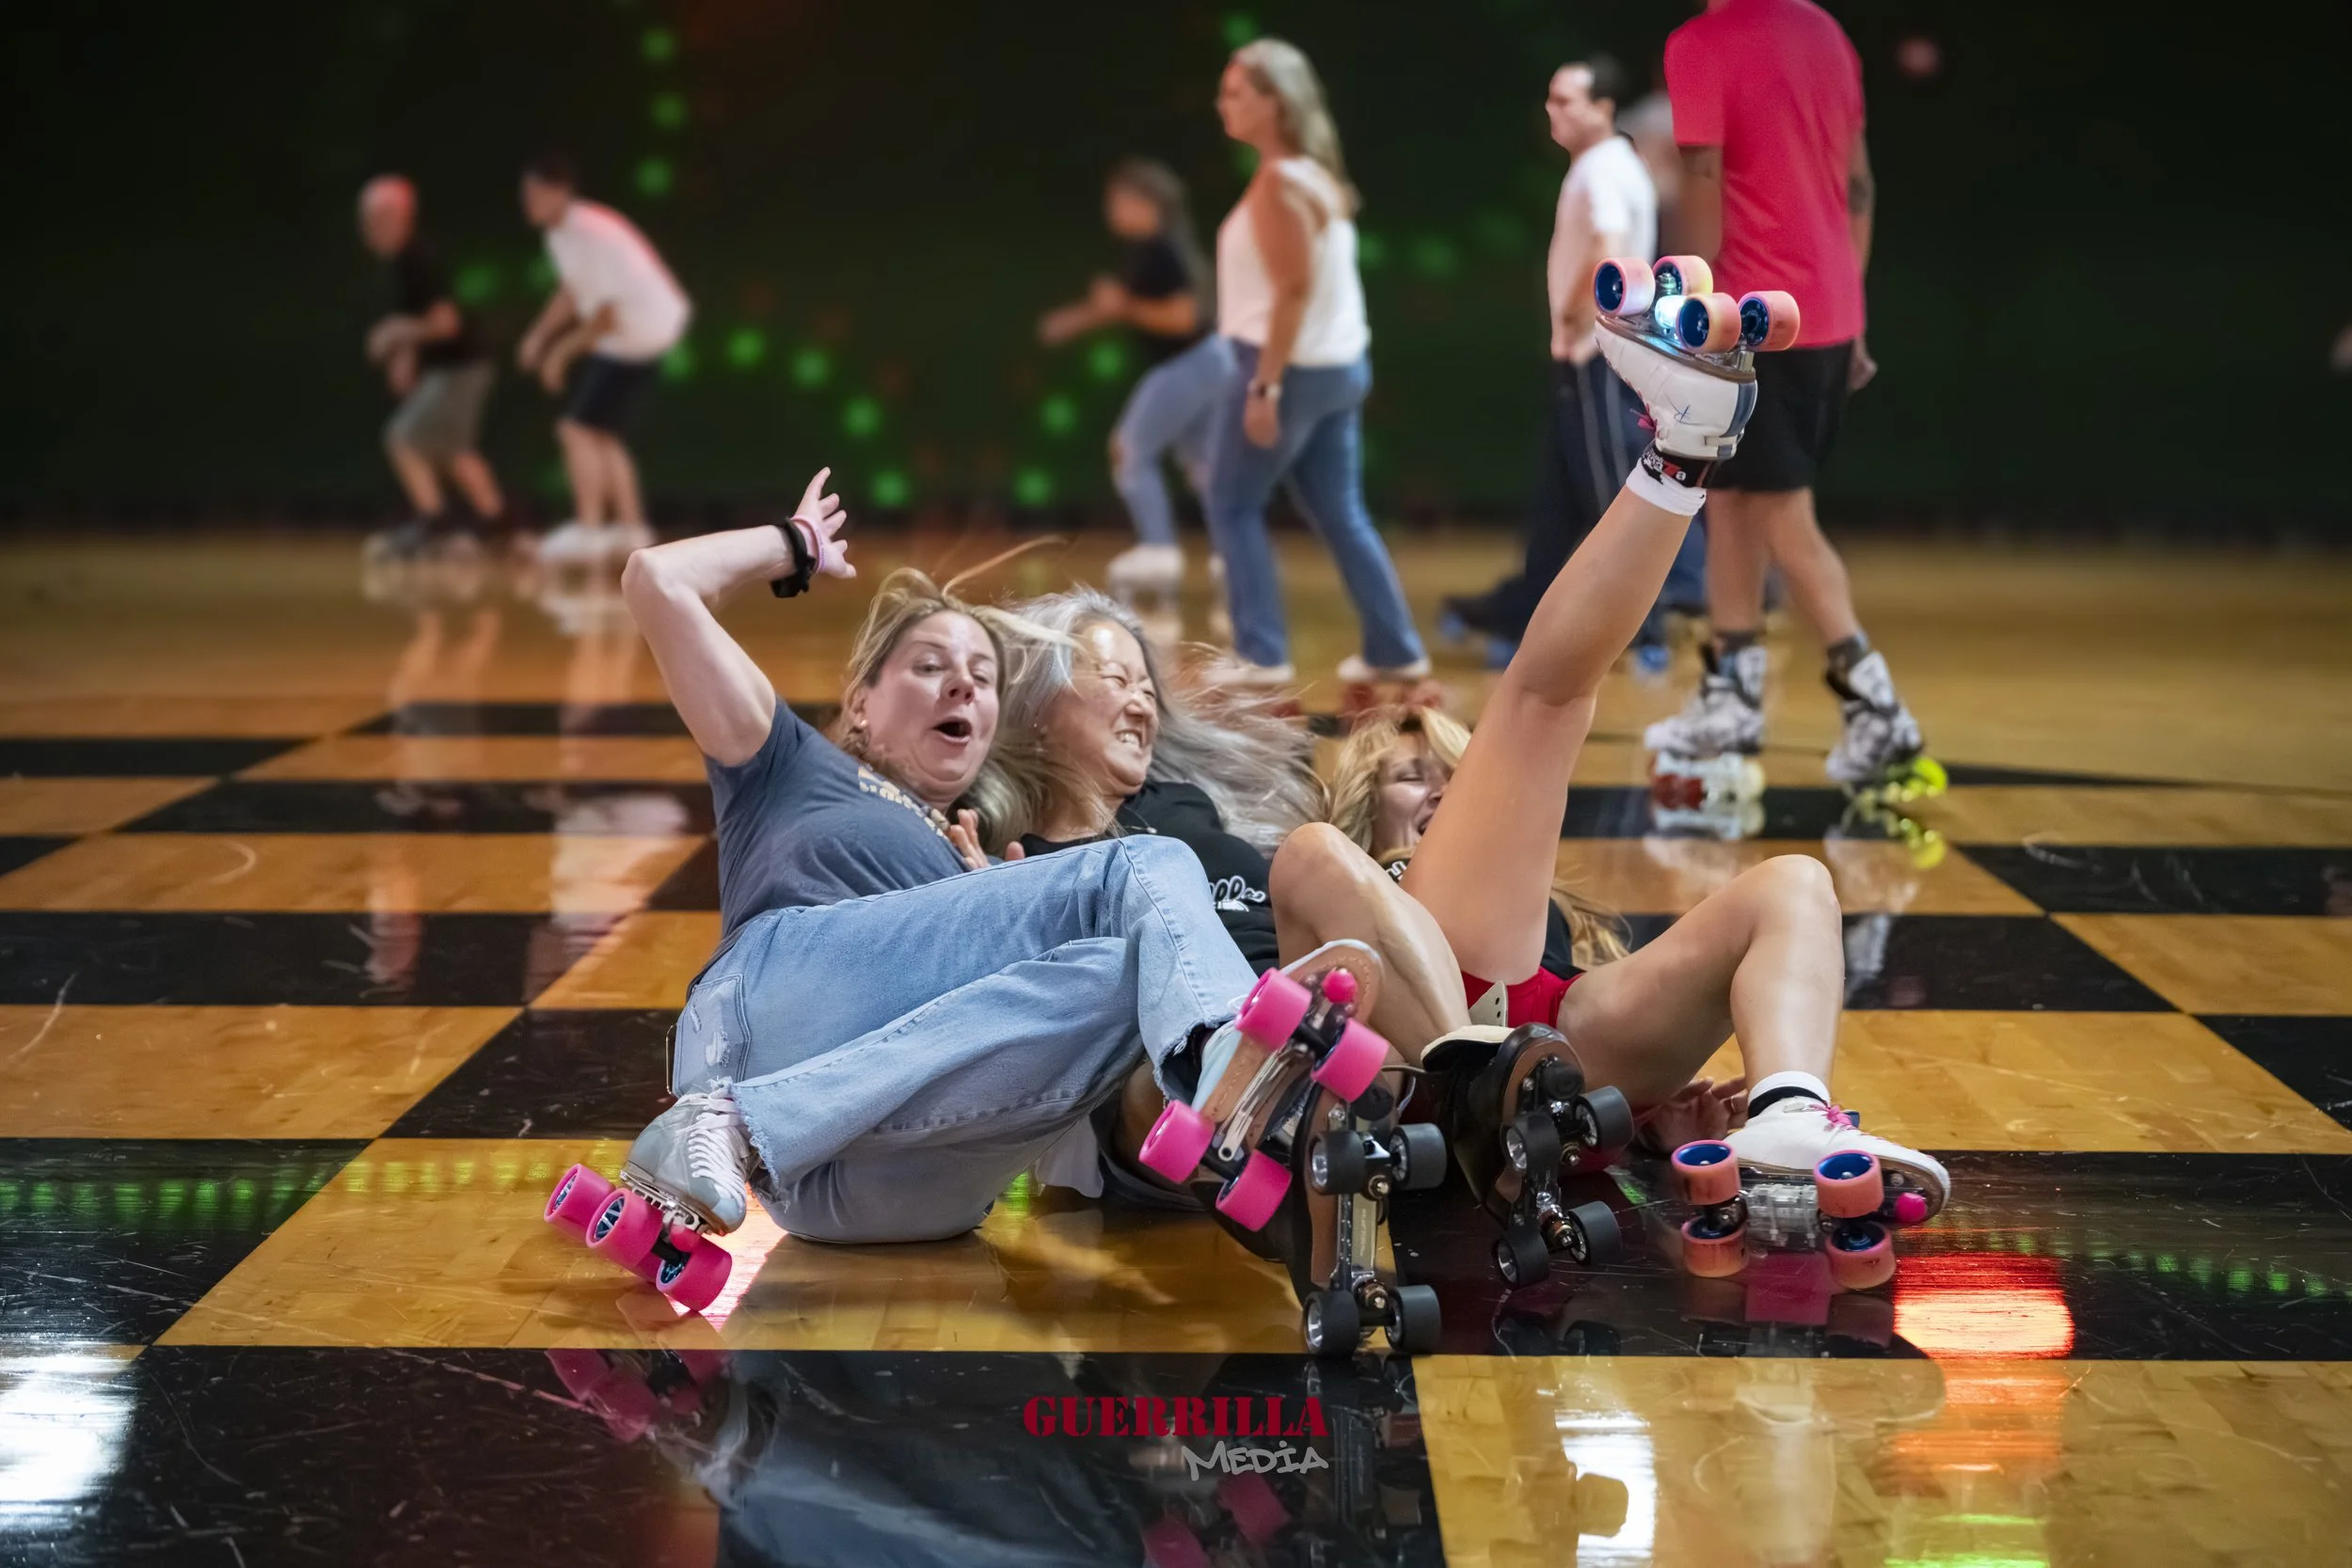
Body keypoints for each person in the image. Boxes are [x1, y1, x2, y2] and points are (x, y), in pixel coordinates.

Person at [605, 467, 1391, 1321]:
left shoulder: (969, 859)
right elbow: (656, 580)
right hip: (767, 1008)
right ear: (860, 704)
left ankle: (736, 1125)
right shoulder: (793, 763)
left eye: (982, 676)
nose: (963, 686)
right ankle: (1230, 1072)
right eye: (930, 665)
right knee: (1141, 865)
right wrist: (792, 545)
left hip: (853, 1191)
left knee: (1119, 971)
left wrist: (991, 912)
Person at [1322, 305, 1950, 1214]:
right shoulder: (1334, 884)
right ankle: (1681, 451)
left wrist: (1649, 1119)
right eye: (1410, 777)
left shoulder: (1536, 909)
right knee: (1543, 700)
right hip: (1427, 1047)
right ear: (1356, 811)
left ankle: (1788, 1113)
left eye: (1453, 777)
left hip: (1555, 1032)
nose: (1442, 792)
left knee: (1795, 887)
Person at [1645, 0, 1935, 792]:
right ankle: (1731, 694)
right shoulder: (1826, 31)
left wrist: (1691, 317)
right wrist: (1855, 309)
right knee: (1734, 499)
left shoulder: (1701, 44)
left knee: (1779, 512)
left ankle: (1877, 710)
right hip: (1829, 311)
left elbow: (1702, 179)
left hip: (1751, 315)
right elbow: (1860, 185)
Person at [1438, 58, 1704, 673]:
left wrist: (1578, 316)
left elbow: (1609, 251)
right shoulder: (1605, 166)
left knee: (1613, 494)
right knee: (1558, 507)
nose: (1555, 112)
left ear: (1605, 108)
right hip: (1583, 359)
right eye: (1552, 100)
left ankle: (1649, 629)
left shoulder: (1603, 172)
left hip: (1596, 357)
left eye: (1569, 101)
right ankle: (1527, 619)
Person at [1200, 39, 1425, 692]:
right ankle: (1395, 648)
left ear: (1275, 103)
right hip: (1338, 367)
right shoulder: (1319, 176)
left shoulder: (1279, 184)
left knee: (1231, 502)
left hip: (1287, 368)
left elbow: (1293, 290)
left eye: (1237, 92)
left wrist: (1264, 384)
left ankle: (1262, 657)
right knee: (1341, 510)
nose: (1223, 104)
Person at [1036, 161, 1231, 600]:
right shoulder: (1151, 253)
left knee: (1130, 448)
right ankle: (1233, 557)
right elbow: (1123, 304)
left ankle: (1160, 551)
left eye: (1120, 201)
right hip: (1212, 362)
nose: (1112, 210)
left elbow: (1181, 318)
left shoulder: (1161, 251)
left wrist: (1122, 306)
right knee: (1205, 466)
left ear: (1148, 205)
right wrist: (1072, 321)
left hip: (1193, 360)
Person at [516, 152, 692, 564]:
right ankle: (633, 529)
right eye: (525, 194)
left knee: (576, 429)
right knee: (602, 433)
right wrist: (538, 336)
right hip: (640, 331)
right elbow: (571, 291)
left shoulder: (588, 231)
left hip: (639, 331)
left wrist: (558, 353)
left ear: (560, 192)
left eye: (536, 193)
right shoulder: (559, 235)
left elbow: (605, 314)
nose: (528, 202)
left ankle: (590, 529)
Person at [356, 175, 504, 558]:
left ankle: (434, 523)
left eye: (375, 217)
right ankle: (494, 524)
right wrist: (405, 354)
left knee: (403, 437)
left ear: (397, 216)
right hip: (457, 366)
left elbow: (445, 322)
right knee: (453, 447)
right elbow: (422, 320)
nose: (368, 227)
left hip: (462, 367)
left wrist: (393, 332)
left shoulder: (417, 258)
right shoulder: (404, 261)